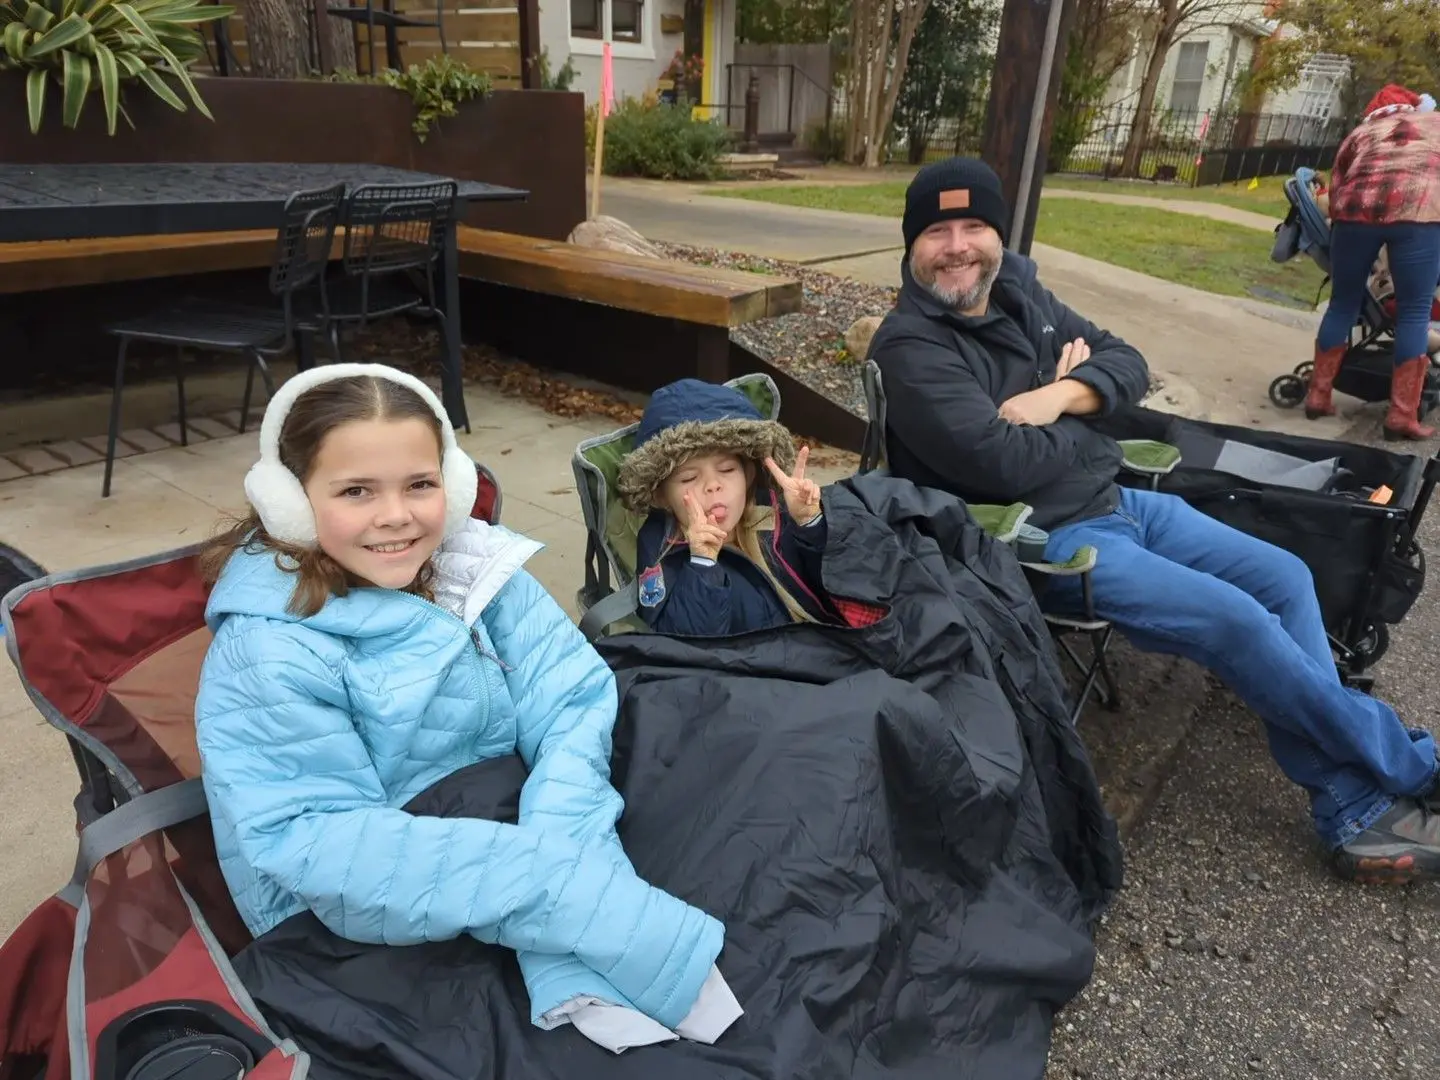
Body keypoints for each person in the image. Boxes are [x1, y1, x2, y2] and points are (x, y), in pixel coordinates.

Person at [867, 157, 1440, 883]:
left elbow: (1129, 366)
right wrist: (1094, 410)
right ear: (910, 246)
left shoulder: (1018, 289)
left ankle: (1347, 799)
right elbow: (1002, 466)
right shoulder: (911, 347)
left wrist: (1058, 395)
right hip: (1039, 542)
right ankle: (1401, 771)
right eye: (937, 231)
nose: (957, 246)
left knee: (1285, 575)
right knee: (1239, 622)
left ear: (997, 235)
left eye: (974, 225)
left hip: (1119, 501)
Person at [194, 362, 740, 1052]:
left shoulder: (472, 570)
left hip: (518, 834)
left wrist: (567, 841)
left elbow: (569, 694)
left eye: (420, 485)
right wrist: (560, 889)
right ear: (292, 503)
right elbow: (320, 847)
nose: (396, 515)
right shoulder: (266, 655)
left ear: (451, 488)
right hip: (371, 914)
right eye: (356, 490)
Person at [616, 378, 835, 636]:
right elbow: (682, 644)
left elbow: (833, 586)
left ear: (748, 475)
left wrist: (810, 524)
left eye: (727, 469)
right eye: (689, 478)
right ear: (661, 497)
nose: (712, 485)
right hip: (747, 666)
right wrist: (702, 564)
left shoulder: (773, 513)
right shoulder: (661, 548)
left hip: (824, 642)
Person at [1304, 83, 1440, 440]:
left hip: (1354, 215)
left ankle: (1318, 395)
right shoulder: (1435, 125)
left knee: (1342, 303)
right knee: (1414, 311)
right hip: (1420, 214)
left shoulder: (1361, 132)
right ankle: (1401, 417)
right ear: (1414, 108)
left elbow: (1336, 182)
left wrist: (1343, 217)